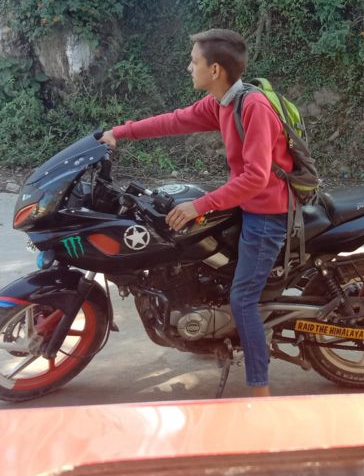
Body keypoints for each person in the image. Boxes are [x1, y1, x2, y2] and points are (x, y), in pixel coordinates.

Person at [99, 29, 292, 397]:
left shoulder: (253, 107)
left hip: (267, 211)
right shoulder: (222, 103)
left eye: (194, 61)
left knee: (243, 299)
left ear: (214, 69)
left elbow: (256, 177)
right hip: (245, 201)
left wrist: (199, 205)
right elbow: (174, 121)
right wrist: (118, 133)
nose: (189, 67)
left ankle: (260, 391)